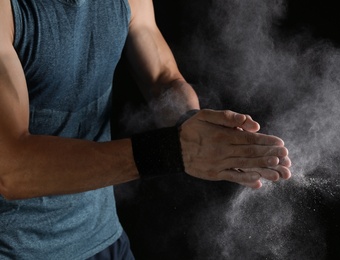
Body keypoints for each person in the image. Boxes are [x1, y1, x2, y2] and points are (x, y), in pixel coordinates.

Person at [0, 0, 292, 259]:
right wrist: (172, 151)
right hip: (16, 247)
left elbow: (162, 78)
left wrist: (192, 125)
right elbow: (11, 170)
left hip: (101, 238)